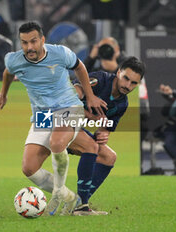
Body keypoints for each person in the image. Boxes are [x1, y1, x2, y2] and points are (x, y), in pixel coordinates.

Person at [0, 22, 107, 216]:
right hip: (43, 115)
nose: (29, 47)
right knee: (29, 168)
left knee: (57, 142)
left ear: (42, 40)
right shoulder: (14, 60)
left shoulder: (60, 53)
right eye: (24, 43)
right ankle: (71, 198)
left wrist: (90, 96)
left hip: (68, 107)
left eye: (34, 41)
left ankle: (58, 190)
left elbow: (80, 67)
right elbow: (8, 73)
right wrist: (4, 93)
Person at [69, 57, 145, 215]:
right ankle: (81, 206)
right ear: (118, 72)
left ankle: (77, 203)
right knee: (91, 146)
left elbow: (104, 129)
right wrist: (91, 116)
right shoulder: (100, 80)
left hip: (76, 131)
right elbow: (68, 99)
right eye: (125, 78)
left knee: (109, 157)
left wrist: (103, 134)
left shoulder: (122, 105)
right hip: (55, 122)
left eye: (133, 83)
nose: (127, 85)